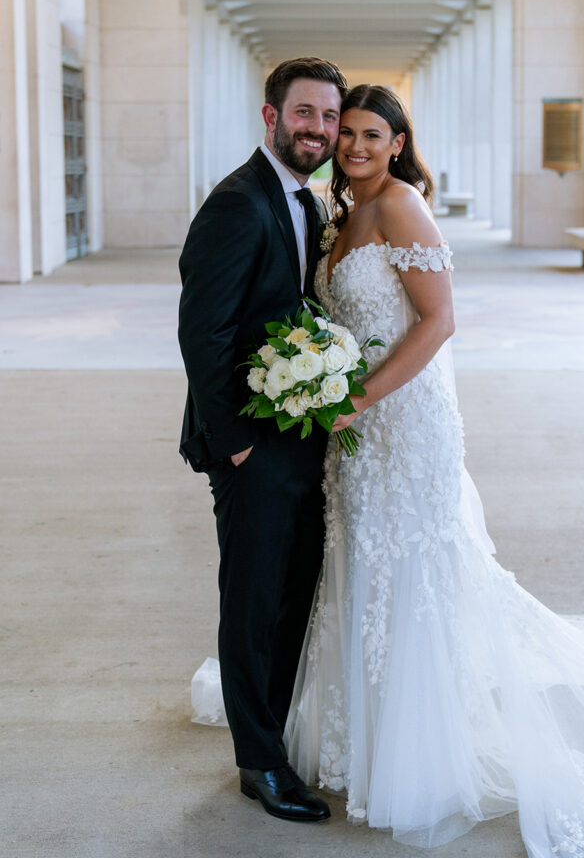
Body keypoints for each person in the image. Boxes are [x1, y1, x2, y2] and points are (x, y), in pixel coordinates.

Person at [283, 85, 584, 852]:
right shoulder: (339, 215)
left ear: (397, 143)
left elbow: (439, 321)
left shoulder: (400, 205)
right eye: (348, 135)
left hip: (402, 421)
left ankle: (415, 750)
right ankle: (359, 733)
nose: (356, 147)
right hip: (356, 429)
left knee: (406, 568)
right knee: (361, 562)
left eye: (373, 134)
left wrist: (355, 400)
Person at [178, 57, 348, 822]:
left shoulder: (305, 201)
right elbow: (202, 332)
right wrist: (237, 443)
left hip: (297, 435)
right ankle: (258, 765)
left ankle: (272, 739)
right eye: (304, 113)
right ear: (270, 116)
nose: (317, 129)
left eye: (328, 117)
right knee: (252, 603)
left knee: (290, 595)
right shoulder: (236, 204)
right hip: (253, 443)